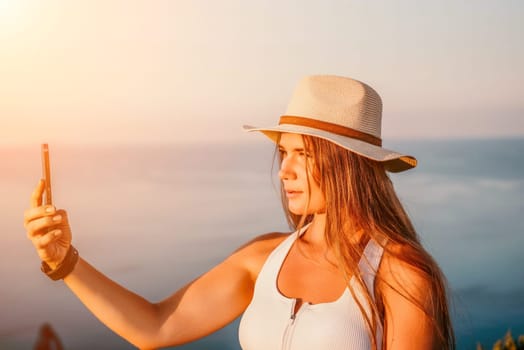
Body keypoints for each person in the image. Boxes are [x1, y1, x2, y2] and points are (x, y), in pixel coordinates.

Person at [24, 75, 455, 349]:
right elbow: (154, 327)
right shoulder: (263, 258)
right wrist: (64, 260)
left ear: (346, 163)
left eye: (301, 154)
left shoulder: (401, 275)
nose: (284, 170)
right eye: (282, 153)